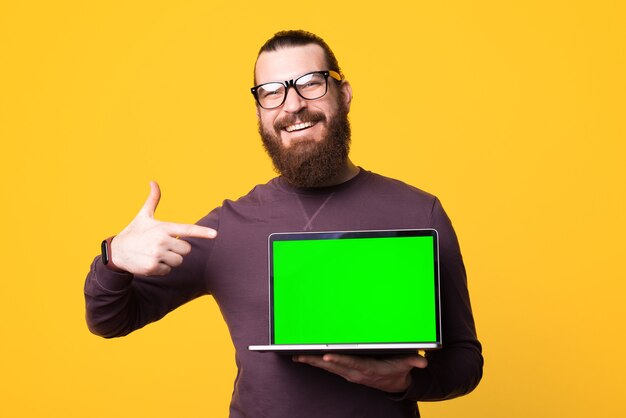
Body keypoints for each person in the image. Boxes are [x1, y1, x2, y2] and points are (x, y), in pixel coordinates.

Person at [84, 30, 483, 417]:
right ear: (260, 112)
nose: (292, 105)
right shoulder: (227, 227)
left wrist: (402, 383)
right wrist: (113, 258)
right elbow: (110, 320)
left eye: (311, 83)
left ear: (343, 94)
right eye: (272, 91)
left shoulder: (417, 211)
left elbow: (465, 364)